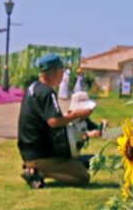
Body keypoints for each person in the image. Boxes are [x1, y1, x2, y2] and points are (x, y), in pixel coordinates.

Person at [18, 53, 105, 188]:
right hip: (41, 154)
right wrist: (77, 114)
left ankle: (37, 167)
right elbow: (53, 121)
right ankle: (39, 172)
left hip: (29, 150)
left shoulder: (33, 88)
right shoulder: (47, 92)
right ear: (56, 72)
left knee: (83, 160)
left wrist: (69, 116)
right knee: (83, 176)